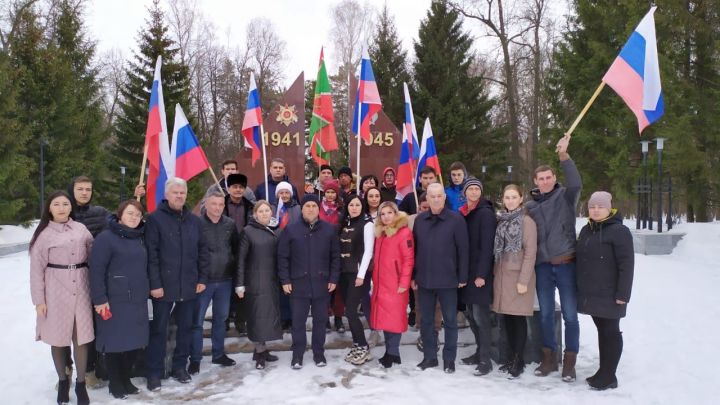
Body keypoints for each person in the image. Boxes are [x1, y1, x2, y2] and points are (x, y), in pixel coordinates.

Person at [525, 134, 582, 382]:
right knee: (546, 314)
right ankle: (548, 358)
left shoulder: (566, 197)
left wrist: (564, 155)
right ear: (535, 181)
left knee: (570, 315)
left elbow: (576, 183)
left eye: (549, 177)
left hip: (566, 264)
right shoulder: (529, 205)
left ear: (554, 179)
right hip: (544, 268)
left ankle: (569, 362)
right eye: (541, 178)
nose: (545, 181)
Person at [144, 178, 209, 391]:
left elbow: (202, 252)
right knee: (159, 331)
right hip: (163, 286)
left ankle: (180, 367)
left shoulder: (195, 221)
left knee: (185, 329)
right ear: (167, 194)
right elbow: (151, 255)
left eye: (182, 193)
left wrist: (201, 279)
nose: (179, 196)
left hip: (189, 285)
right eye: (175, 192)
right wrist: (155, 284)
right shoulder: (154, 219)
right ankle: (154, 372)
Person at [30, 190, 94, 405]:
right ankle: (63, 380)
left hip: (82, 287)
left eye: (65, 204)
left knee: (81, 338)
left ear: (70, 207)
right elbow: (36, 270)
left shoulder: (81, 229)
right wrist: (39, 300)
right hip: (55, 290)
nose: (61, 208)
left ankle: (81, 383)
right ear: (49, 208)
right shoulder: (43, 235)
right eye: (56, 204)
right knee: (58, 339)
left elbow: (95, 253)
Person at [89, 200, 149, 399]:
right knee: (114, 344)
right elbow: (96, 271)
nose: (134, 217)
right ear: (120, 214)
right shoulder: (106, 238)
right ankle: (115, 382)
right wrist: (99, 299)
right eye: (130, 213)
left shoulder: (140, 237)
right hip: (113, 300)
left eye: (138, 215)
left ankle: (126, 379)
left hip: (137, 299)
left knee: (134, 343)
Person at [576, 191, 634, 390]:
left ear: (609, 208)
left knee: (611, 332)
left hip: (611, 293)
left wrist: (622, 294)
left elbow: (626, 265)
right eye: (592, 207)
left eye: (600, 206)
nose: (596, 210)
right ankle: (603, 371)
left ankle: (610, 376)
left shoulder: (619, 231)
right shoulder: (587, 230)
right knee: (602, 331)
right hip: (592, 292)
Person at [277, 194, 341, 369]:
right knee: (298, 322)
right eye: (307, 206)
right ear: (302, 209)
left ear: (318, 208)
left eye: (314, 205)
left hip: (322, 283)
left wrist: (334, 278)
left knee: (320, 321)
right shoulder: (291, 229)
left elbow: (335, 257)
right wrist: (285, 280)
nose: (311, 209)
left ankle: (318, 353)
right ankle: (297, 354)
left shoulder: (329, 230)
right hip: (298, 284)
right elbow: (282, 258)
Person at [412, 183, 469, 373]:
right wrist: (414, 276)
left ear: (444, 197)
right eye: (432, 196)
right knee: (427, 321)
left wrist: (462, 276)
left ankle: (449, 358)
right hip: (425, 280)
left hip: (448, 280)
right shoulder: (420, 221)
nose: (436, 199)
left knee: (450, 321)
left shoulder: (456, 219)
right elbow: (415, 251)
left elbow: (463, 249)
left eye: (439, 196)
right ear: (426, 199)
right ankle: (430, 357)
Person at [188, 191, 238, 376]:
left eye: (220, 204)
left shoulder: (230, 224)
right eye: (213, 204)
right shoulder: (196, 224)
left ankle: (218, 354)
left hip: (225, 280)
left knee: (221, 319)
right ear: (206, 205)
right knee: (197, 322)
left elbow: (235, 248)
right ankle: (195, 359)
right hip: (203, 281)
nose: (217, 208)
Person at [67, 175, 110, 388]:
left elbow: (122, 220)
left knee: (89, 327)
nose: (85, 192)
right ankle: (65, 371)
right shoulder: (62, 211)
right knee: (65, 328)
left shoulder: (100, 214)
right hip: (64, 278)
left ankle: (89, 370)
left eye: (88, 189)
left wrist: (135, 198)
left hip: (90, 277)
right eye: (80, 189)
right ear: (72, 190)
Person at [492, 185, 537, 379]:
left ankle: (519, 360)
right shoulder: (501, 220)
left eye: (514, 197)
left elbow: (530, 253)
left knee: (518, 319)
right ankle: (511, 357)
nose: (510, 200)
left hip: (519, 278)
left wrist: (524, 280)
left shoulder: (527, 222)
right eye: (507, 197)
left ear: (521, 199)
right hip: (503, 277)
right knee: (508, 320)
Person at [236, 200, 283, 370]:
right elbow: (240, 259)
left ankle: (262, 349)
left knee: (268, 317)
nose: (264, 214)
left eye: (267, 211)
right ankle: (260, 354)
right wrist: (239, 284)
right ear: (255, 214)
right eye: (261, 211)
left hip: (271, 281)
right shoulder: (248, 232)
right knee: (257, 318)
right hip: (254, 281)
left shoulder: (276, 231)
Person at [458, 178, 496, 376]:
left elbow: (487, 247)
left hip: (480, 275)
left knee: (481, 318)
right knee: (471, 316)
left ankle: (485, 360)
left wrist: (482, 274)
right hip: (467, 273)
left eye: (476, 189)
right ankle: (479, 352)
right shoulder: (466, 212)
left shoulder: (485, 214)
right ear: (464, 193)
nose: (473, 192)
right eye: (470, 189)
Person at [371, 202, 414, 368]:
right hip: (382, 283)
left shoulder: (404, 233)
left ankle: (392, 353)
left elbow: (408, 260)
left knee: (394, 319)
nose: (386, 216)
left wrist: (404, 282)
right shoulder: (381, 234)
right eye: (383, 214)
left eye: (390, 213)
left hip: (396, 284)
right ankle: (391, 352)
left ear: (396, 214)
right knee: (386, 319)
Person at [338, 194, 375, 365]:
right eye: (351, 205)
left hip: (356, 274)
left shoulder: (367, 224)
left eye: (358, 205)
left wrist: (361, 275)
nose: (354, 208)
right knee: (348, 311)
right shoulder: (345, 224)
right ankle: (357, 344)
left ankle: (364, 347)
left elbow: (368, 251)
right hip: (344, 273)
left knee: (351, 311)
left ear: (362, 207)